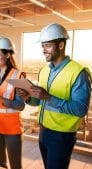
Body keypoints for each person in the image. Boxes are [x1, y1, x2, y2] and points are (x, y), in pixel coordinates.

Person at [17, 23, 91, 169]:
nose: (44, 50)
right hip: (43, 130)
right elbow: (40, 101)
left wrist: (49, 97)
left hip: (62, 135)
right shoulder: (44, 70)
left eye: (48, 46)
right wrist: (28, 97)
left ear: (61, 45)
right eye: (43, 46)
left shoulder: (79, 73)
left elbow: (81, 109)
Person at [0, 36, 25, 169]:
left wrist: (0, 98)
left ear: (8, 54)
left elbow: (20, 105)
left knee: (15, 166)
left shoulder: (18, 75)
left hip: (11, 128)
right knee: (0, 164)